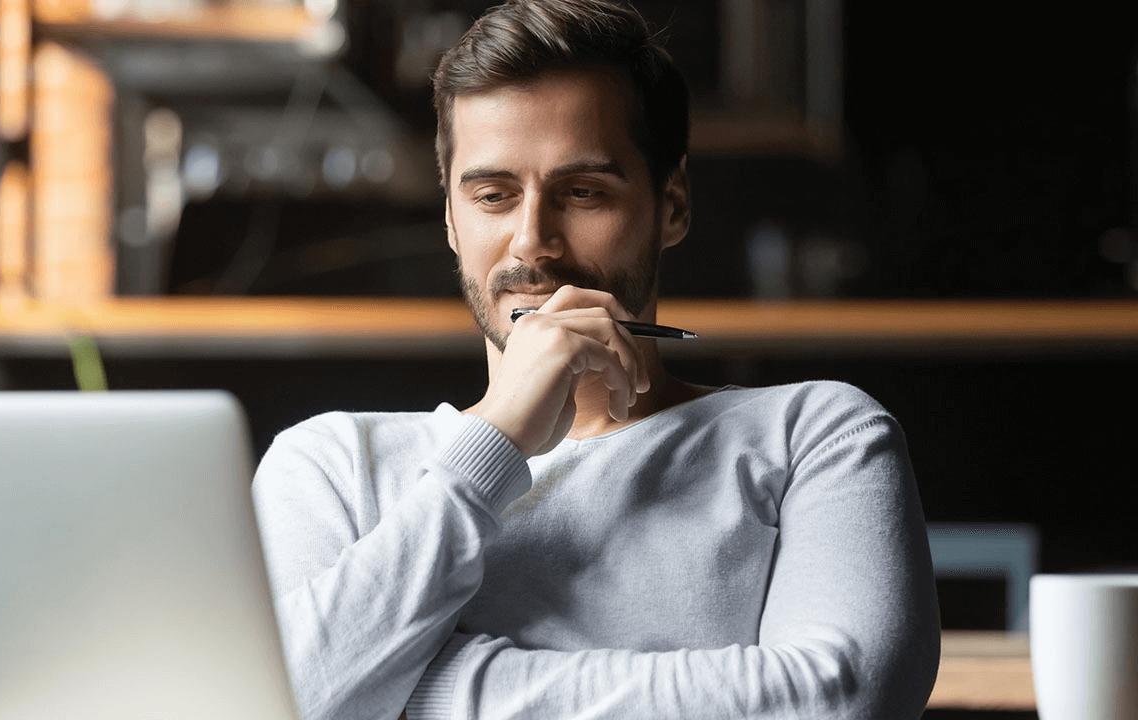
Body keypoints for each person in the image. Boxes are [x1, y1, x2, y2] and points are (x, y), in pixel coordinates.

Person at [251, 1, 941, 717]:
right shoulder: (332, 464)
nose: (532, 240)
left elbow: (842, 698)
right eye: (493, 195)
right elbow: (271, 704)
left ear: (672, 206)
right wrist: (495, 441)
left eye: (583, 193)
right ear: (451, 218)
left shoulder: (815, 434)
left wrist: (417, 693)